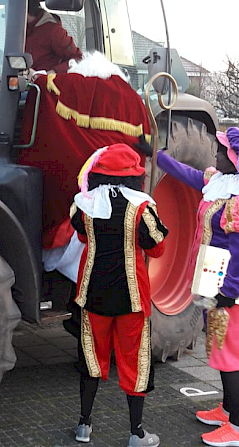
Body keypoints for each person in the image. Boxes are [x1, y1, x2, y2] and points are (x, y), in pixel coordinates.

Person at [151, 127, 239, 447]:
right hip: (214, 278)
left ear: (235, 158)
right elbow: (186, 173)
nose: (213, 156)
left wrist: (228, 293)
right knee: (217, 347)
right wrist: (157, 155)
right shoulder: (220, 182)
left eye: (220, 151)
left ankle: (238, 429)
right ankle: (227, 409)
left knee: (230, 355)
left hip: (229, 287)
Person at [69, 143, 168, 447]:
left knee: (91, 358)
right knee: (133, 363)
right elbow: (158, 248)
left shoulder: (83, 205)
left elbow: (82, 237)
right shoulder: (142, 208)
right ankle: (136, 432)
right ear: (133, 177)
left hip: (92, 294)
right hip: (131, 298)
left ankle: (84, 426)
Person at [25, 0, 83, 74]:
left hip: (45, 84)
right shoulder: (19, 32)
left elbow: (78, 59)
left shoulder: (53, 31)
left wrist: (52, 73)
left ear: (24, 9)